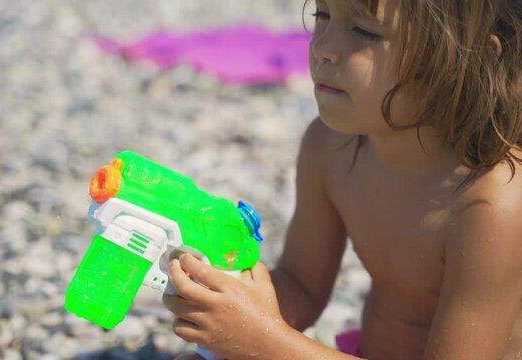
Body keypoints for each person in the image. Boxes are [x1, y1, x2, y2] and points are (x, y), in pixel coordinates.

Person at [162, 0, 522, 358]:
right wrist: (224, 298)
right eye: (323, 15)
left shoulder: (492, 204)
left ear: (468, 61)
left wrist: (262, 340)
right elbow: (301, 289)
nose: (321, 48)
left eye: (365, 30)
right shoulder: (331, 147)